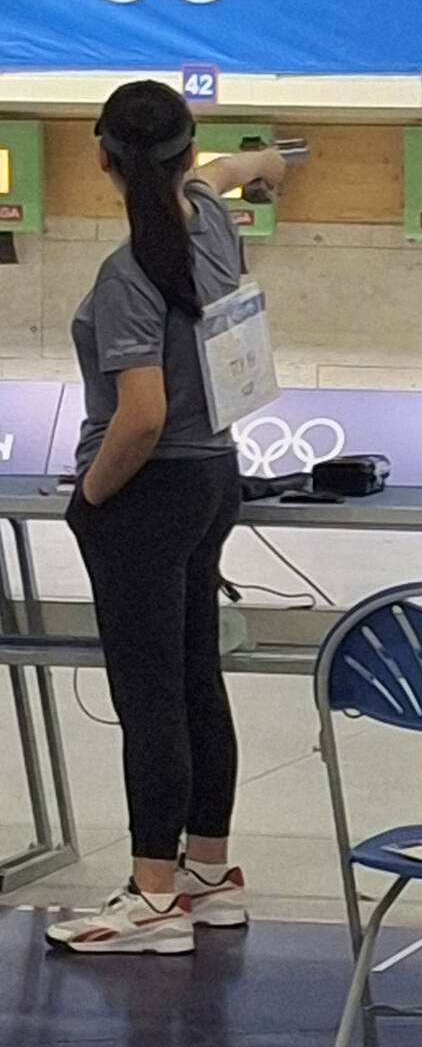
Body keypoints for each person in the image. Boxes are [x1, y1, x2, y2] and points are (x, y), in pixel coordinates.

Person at [46, 81, 288, 955]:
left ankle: (150, 899)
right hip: (215, 477)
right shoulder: (209, 220)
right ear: (185, 157)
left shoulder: (127, 274)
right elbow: (229, 172)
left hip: (149, 490)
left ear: (102, 155)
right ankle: (206, 873)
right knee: (194, 680)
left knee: (148, 698)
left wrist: (94, 495)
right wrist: (270, 164)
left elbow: (138, 415)